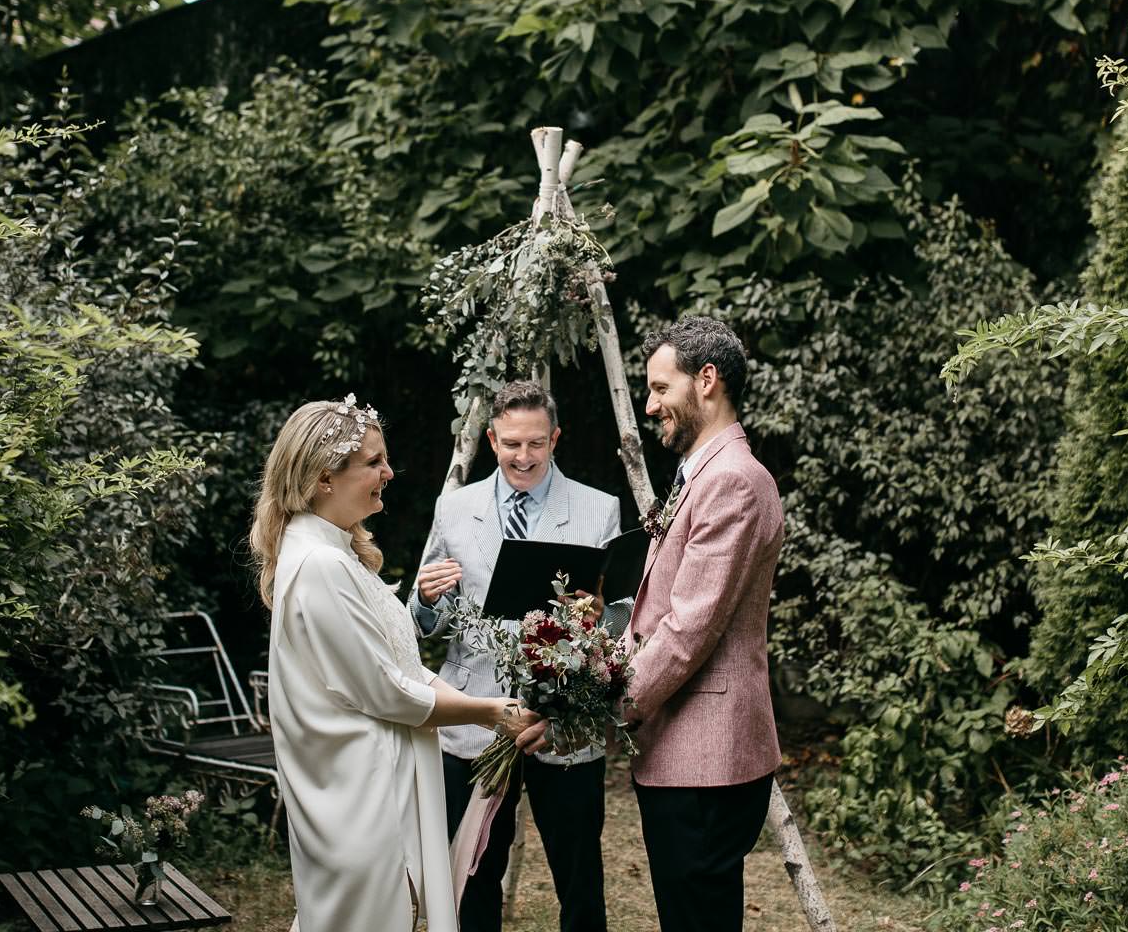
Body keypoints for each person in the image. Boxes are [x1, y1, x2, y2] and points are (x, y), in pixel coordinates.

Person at [251, 396, 540, 932]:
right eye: (373, 461)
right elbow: (388, 691)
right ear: (323, 479)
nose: (389, 471)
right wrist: (488, 711)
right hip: (356, 793)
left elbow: (398, 664)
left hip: (371, 781)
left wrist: (487, 706)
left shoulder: (336, 553)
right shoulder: (317, 565)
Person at [408, 381, 621, 932]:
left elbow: (623, 614)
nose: (522, 457)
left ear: (555, 438)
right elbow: (425, 616)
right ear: (491, 438)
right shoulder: (453, 508)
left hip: (564, 721)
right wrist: (429, 598)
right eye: (510, 445)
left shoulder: (599, 509)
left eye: (535, 444)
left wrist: (600, 616)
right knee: (475, 872)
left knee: (578, 874)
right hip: (475, 717)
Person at [624, 317, 784, 932]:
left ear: (707, 381)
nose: (650, 404)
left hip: (706, 759)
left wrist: (603, 705)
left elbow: (688, 629)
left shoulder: (733, 482)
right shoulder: (705, 474)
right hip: (687, 752)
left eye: (662, 388)